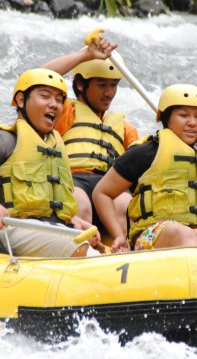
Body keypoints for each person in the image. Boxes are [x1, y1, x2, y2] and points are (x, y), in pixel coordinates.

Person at [0, 68, 98, 257]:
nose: (54, 105)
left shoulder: (54, 147)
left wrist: (74, 219)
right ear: (21, 100)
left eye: (59, 100)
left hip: (49, 230)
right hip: (9, 229)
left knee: (93, 247)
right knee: (77, 247)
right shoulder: (2, 139)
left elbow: (42, 200)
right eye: (45, 96)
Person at [93, 84, 197, 253]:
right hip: (152, 234)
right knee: (183, 235)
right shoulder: (146, 152)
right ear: (167, 118)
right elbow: (102, 192)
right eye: (183, 115)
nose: (192, 123)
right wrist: (118, 234)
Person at [41, 35, 140, 235]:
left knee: (126, 206)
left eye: (113, 85)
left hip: (110, 186)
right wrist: (86, 55)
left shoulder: (125, 128)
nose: (109, 93)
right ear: (80, 85)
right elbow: (38, 77)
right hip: (72, 181)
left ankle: (123, 252)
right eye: (102, 84)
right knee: (81, 204)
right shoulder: (64, 112)